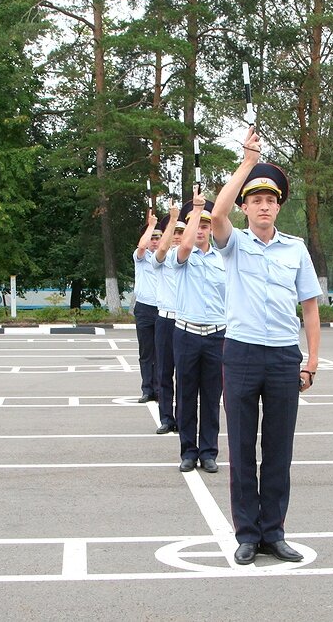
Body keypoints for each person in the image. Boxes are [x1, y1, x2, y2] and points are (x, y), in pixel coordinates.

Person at [210, 128, 321, 565]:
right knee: (241, 447)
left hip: (281, 357)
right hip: (240, 354)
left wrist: (311, 361)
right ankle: (247, 534)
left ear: (278, 206)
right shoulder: (233, 243)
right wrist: (246, 162)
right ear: (245, 207)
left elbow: (309, 308)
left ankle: (274, 531)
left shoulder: (295, 249)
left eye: (270, 200)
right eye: (255, 199)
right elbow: (216, 215)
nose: (263, 206)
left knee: (278, 450)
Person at [172, 194, 225, 474]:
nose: (202, 229)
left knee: (211, 395)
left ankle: (208, 452)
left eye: (206, 225)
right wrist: (197, 210)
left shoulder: (223, 259)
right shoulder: (181, 255)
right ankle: (188, 451)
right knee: (186, 394)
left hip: (217, 335)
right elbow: (187, 243)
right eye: (197, 225)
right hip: (187, 334)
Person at [152, 211, 185, 434]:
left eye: (181, 232)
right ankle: (166, 417)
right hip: (165, 320)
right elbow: (162, 249)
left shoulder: (189, 257)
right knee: (164, 371)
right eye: (173, 232)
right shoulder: (161, 259)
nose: (176, 236)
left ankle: (183, 417)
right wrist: (172, 221)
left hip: (185, 322)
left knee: (184, 374)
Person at [132, 213, 161, 403]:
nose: (155, 241)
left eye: (158, 238)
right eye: (152, 237)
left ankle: (159, 389)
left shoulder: (165, 256)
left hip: (162, 309)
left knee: (161, 353)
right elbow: (141, 246)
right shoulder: (140, 257)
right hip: (144, 309)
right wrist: (150, 225)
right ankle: (147, 388)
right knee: (146, 352)